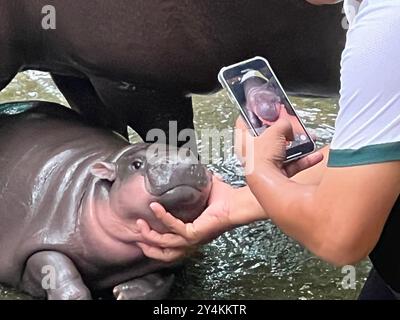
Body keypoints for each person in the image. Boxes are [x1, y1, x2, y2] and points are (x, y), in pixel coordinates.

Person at [136, 0, 400, 299]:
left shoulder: (386, 24)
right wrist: (233, 206)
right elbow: (369, 170)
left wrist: (257, 168)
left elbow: (339, 236)